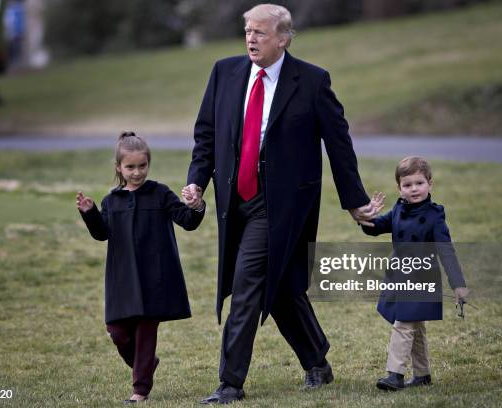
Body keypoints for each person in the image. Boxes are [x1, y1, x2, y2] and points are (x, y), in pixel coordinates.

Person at [182, 4, 380, 404]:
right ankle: (317, 362)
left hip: (282, 206)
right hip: (234, 199)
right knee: (285, 285)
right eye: (247, 31)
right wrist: (196, 182)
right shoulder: (224, 72)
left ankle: (230, 383)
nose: (251, 39)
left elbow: (338, 143)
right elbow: (206, 135)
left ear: (283, 38)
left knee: (247, 285)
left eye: (260, 33)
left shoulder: (311, 80)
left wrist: (354, 201)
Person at [77, 132, 205, 403]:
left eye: (142, 166)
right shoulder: (111, 201)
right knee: (118, 332)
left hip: (154, 279)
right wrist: (90, 213)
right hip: (122, 280)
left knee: (146, 332)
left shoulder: (160, 193)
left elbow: (188, 221)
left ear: (149, 164)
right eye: (130, 167)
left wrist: (196, 206)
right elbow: (102, 234)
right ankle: (146, 363)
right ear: (119, 168)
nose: (137, 172)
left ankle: (140, 390)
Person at [360, 156, 469, 391]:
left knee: (403, 324)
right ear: (399, 189)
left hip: (422, 279)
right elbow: (376, 228)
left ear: (430, 183)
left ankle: (395, 374)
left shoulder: (434, 215)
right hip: (399, 277)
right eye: (407, 185)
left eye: (419, 183)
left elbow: (446, 250)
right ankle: (422, 375)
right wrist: (367, 216)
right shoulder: (399, 209)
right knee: (415, 325)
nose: (414, 189)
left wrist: (458, 283)